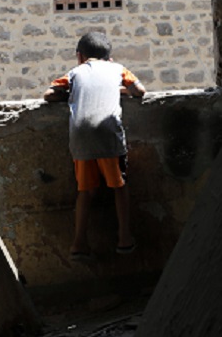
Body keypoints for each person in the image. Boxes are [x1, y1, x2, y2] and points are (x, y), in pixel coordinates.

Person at [44, 31, 146, 261]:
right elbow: (139, 92)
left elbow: (48, 95)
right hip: (108, 135)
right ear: (108, 57)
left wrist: (75, 95)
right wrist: (117, 89)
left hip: (80, 137)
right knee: (118, 186)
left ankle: (78, 243)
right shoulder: (118, 68)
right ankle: (124, 238)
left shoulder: (74, 73)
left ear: (79, 56)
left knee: (85, 191)